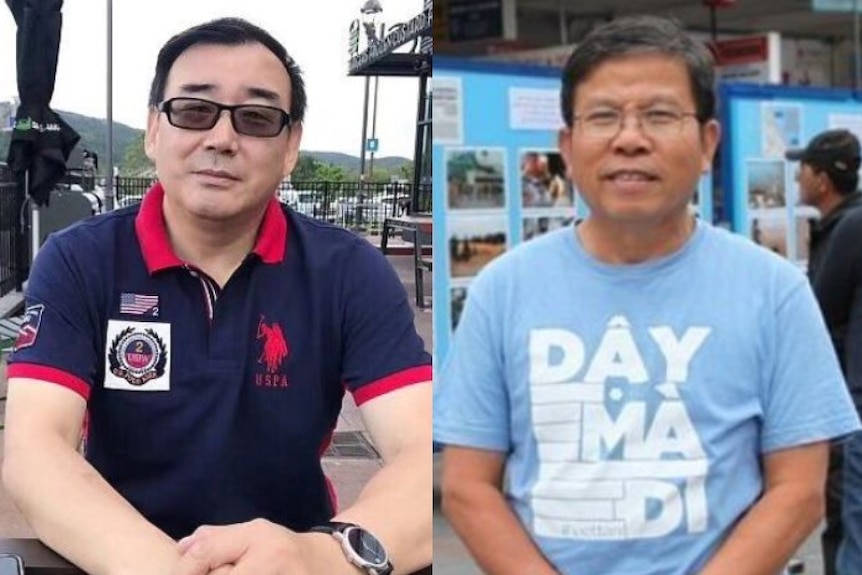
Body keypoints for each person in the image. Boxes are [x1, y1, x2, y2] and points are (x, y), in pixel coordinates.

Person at [1, 17, 432, 575]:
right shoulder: (80, 260)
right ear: (155, 129)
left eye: (256, 117)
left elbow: (431, 451)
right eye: (194, 110)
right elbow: (35, 450)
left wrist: (323, 555)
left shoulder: (347, 271)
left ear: (290, 146)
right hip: (118, 556)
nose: (222, 138)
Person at [433, 15, 860, 575]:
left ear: (707, 142)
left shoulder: (774, 291)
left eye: (660, 115)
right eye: (603, 116)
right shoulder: (502, 289)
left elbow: (799, 489)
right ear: (568, 143)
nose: (630, 138)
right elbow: (467, 485)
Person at [786, 129, 862, 575]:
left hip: (852, 410)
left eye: (804, 169)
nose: (797, 178)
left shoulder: (851, 227)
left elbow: (819, 312)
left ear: (821, 178)